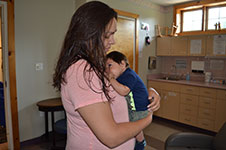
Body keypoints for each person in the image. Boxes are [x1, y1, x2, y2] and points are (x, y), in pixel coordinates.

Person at [53, 1, 160, 150]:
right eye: (107, 35)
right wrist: (148, 118)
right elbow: (111, 137)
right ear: (87, 34)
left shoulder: (95, 66)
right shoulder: (82, 71)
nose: (113, 41)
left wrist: (150, 92)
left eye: (113, 34)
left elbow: (118, 93)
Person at [106, 51, 151, 150]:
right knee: (135, 129)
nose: (108, 70)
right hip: (135, 110)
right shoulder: (121, 76)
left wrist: (111, 80)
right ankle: (140, 142)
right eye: (106, 67)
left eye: (110, 65)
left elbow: (124, 91)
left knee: (128, 127)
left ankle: (139, 144)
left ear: (122, 64)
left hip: (139, 110)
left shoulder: (129, 74)